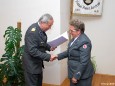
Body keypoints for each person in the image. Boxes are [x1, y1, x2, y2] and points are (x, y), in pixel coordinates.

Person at [56, 19, 94, 86]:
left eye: (71, 31)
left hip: (82, 75)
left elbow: (84, 62)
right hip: (73, 71)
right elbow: (69, 52)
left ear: (78, 31)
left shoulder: (84, 42)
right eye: (69, 30)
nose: (70, 32)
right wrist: (57, 56)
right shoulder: (75, 38)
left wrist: (76, 76)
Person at [22, 13, 56, 86]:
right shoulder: (32, 32)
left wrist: (49, 47)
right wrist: (48, 56)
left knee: (38, 83)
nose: (50, 28)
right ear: (42, 22)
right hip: (31, 65)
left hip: (37, 64)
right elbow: (32, 51)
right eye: (49, 25)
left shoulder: (39, 29)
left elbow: (41, 43)